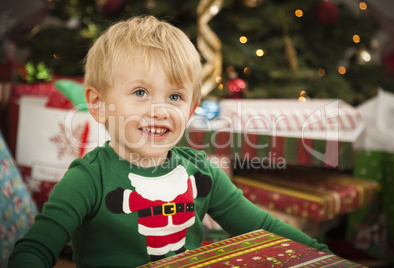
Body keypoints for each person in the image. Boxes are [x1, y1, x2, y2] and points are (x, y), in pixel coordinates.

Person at [8, 15, 332, 268]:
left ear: (191, 111)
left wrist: (322, 255)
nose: (160, 110)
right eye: (140, 92)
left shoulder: (201, 173)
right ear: (98, 104)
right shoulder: (88, 178)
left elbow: (262, 226)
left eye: (175, 96)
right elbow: (36, 248)